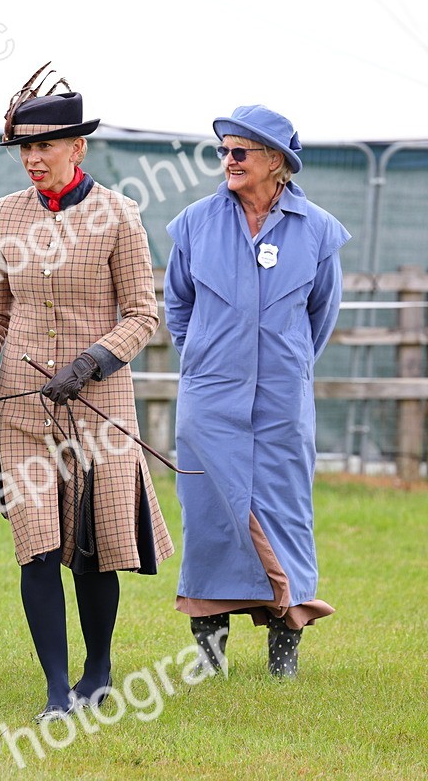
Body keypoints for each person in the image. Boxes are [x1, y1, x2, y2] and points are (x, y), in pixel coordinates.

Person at [0, 75, 174, 721]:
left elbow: (141, 316)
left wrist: (90, 361)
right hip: (21, 411)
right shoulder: (6, 215)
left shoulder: (121, 216)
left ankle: (97, 669)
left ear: (78, 147)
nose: (32, 158)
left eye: (44, 146)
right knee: (38, 546)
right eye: (24, 147)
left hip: (99, 410)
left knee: (92, 552)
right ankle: (55, 691)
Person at [164, 105, 348, 677]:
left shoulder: (316, 228)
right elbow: (178, 306)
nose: (229, 161)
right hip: (210, 398)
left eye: (240, 151)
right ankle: (210, 654)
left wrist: (282, 369)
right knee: (210, 516)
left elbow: (320, 315)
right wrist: (208, 361)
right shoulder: (195, 222)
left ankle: (283, 654)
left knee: (284, 513)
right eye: (224, 151)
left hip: (280, 402)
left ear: (276, 162)